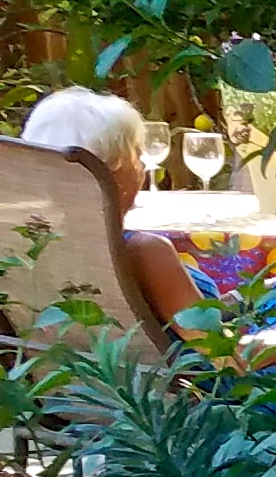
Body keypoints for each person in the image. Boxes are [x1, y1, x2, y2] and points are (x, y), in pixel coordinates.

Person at [17, 87, 203, 329]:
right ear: (109, 172)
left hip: (79, 366)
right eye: (137, 153)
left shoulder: (28, 252)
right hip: (176, 367)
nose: (144, 165)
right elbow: (224, 355)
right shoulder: (144, 252)